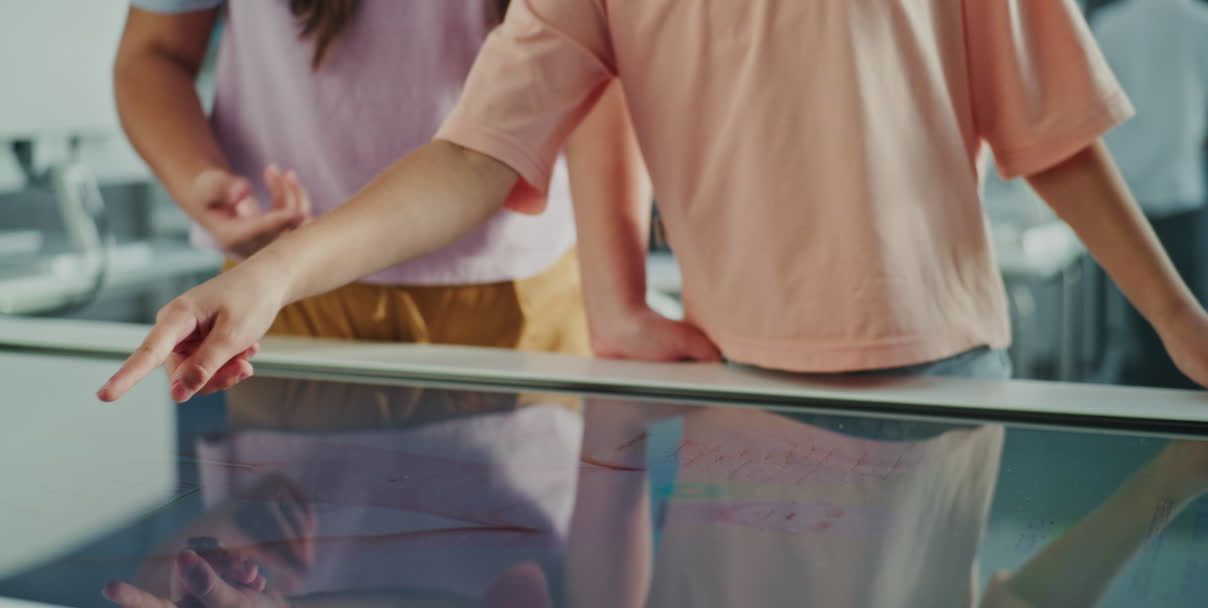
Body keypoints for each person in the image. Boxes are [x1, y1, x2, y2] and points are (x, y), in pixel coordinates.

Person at [97, 0, 1208, 405]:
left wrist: (1173, 316)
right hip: (732, 380)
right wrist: (270, 274)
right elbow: (473, 155)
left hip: (947, 369)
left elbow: (1049, 135)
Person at [113, 0, 678, 391]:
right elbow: (152, 53)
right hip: (280, 312)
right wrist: (202, 181)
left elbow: (587, 65)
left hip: (518, 294)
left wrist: (617, 302)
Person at [1092, 0, 1208, 388]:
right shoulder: (1198, 23)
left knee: (1140, 320)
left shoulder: (1108, 27)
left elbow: (1094, 112)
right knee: (1188, 313)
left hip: (1121, 195)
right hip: (1179, 189)